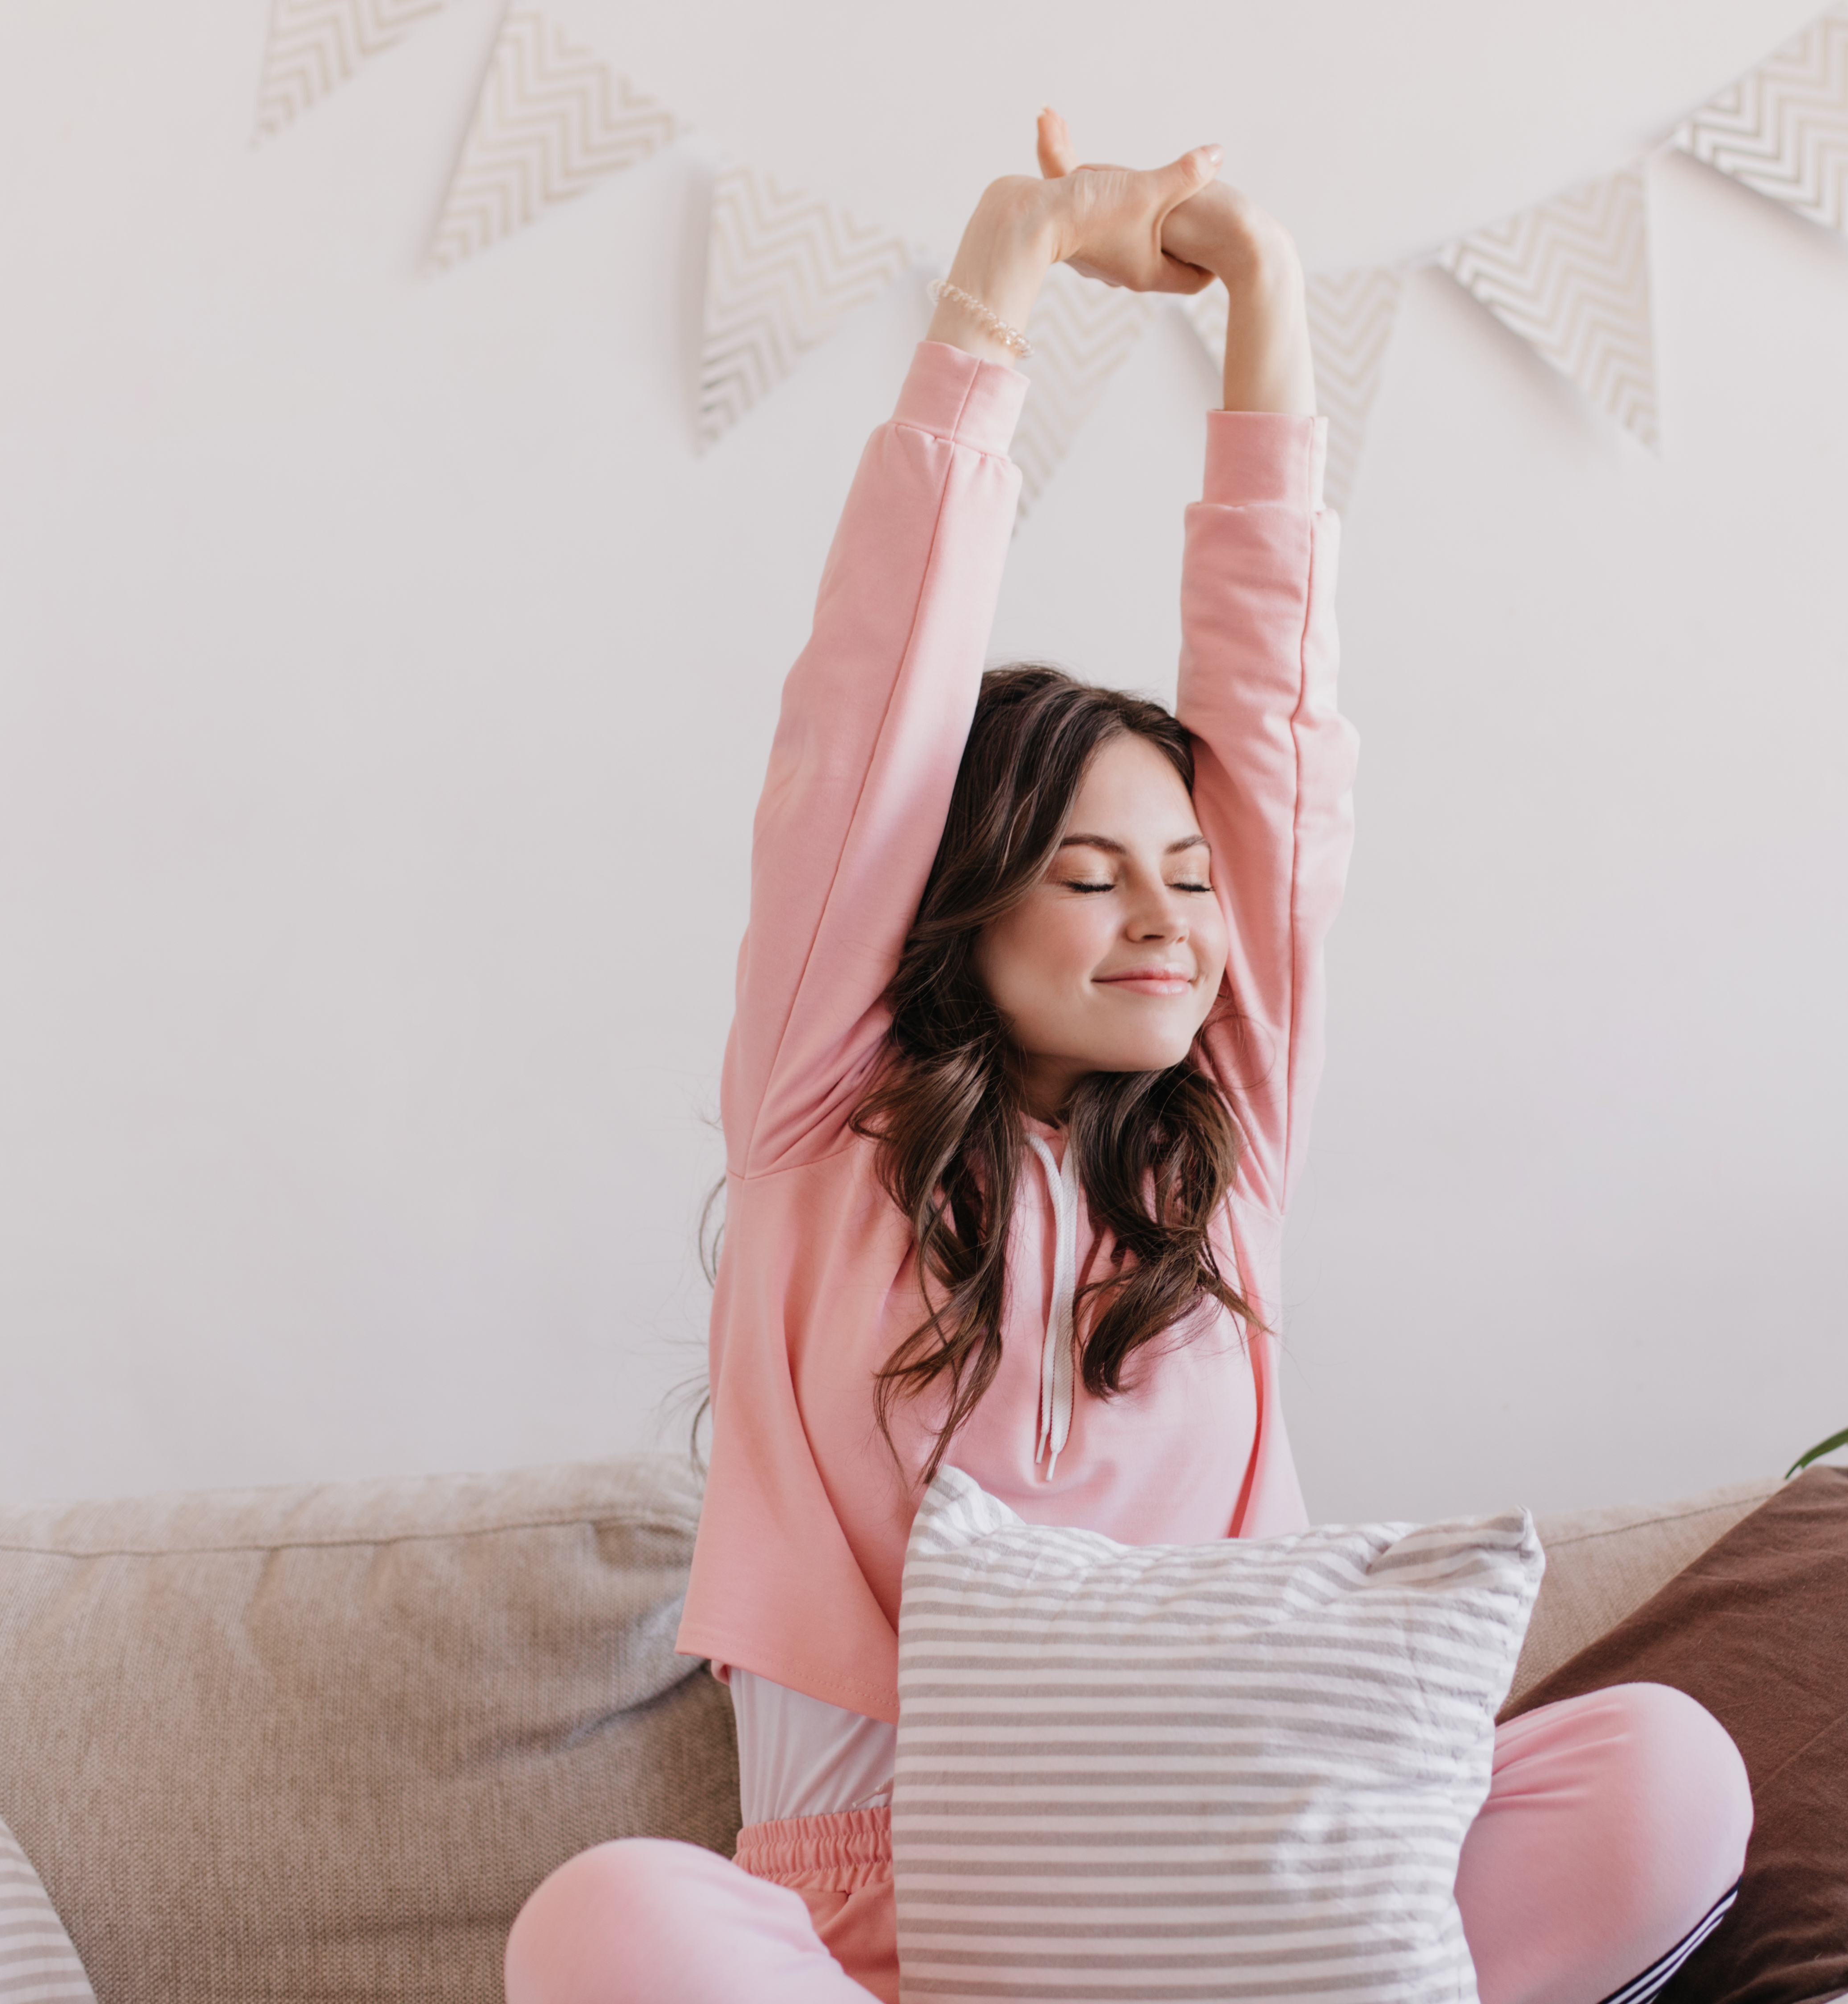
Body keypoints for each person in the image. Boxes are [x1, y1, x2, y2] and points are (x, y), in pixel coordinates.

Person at [505, 114, 1753, 2004]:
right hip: (888, 1926)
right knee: (608, 1923)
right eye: (1089, 876)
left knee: (1669, 1769)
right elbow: (871, 710)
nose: (1168, 916)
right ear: (961, 905)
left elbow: (1282, 724)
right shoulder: (817, 1121)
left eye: (1188, 874)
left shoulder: (1221, 1143)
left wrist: (1264, 296)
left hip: (1256, 1885)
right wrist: (1000, 278)